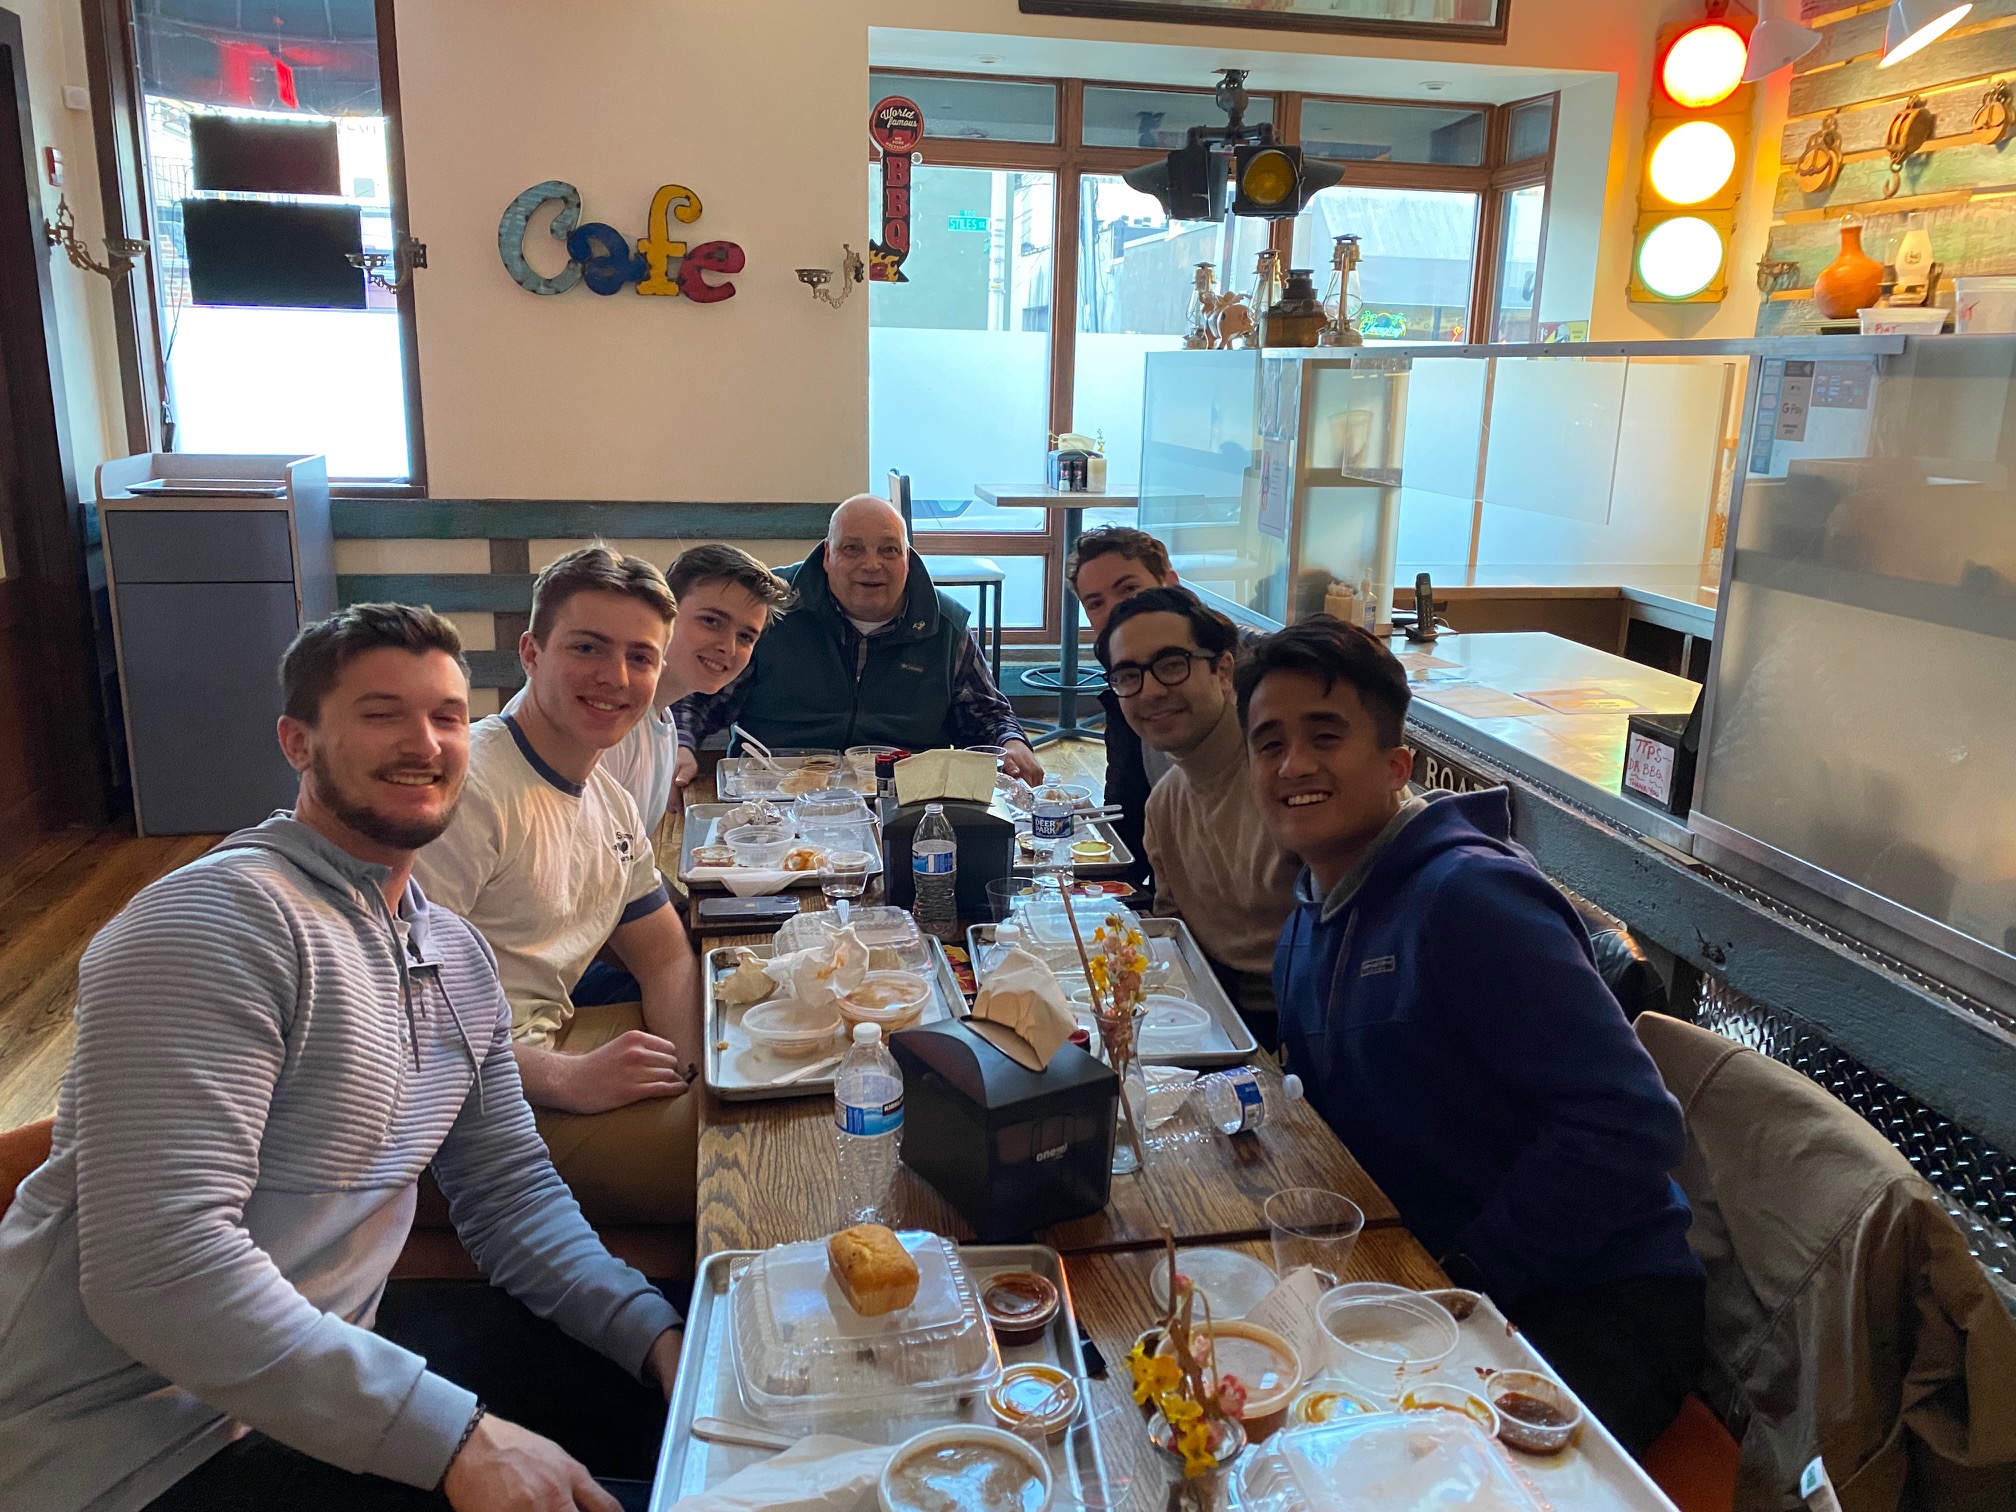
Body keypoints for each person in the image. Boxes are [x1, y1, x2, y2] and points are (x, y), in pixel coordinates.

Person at [0, 604, 682, 1512]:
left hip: (321, 1367)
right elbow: (157, 1273)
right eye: (380, 713)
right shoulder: (216, 922)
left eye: (446, 717)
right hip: (132, 1451)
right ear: (298, 742)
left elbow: (511, 1196)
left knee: (714, 1425)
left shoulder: (454, 956)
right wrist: (459, 1440)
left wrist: (658, 1338)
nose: (423, 743)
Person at [1239, 617, 1705, 1457]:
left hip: (1587, 1307)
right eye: (1269, 743)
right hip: (1416, 1281)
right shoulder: (1310, 915)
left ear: (1396, 766)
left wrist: (1466, 1276)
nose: (1293, 764)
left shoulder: (1469, 900)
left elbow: (1630, 1124)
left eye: (1325, 735)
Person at [413, 545, 703, 1228]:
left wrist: (695, 1072)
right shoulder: (465, 792)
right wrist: (568, 1079)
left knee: (763, 1085)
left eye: (640, 657)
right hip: (454, 1109)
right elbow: (392, 1014)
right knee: (750, 1155)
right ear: (532, 653)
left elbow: (665, 958)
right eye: (587, 647)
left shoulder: (609, 802)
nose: (615, 676)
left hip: (543, 1046)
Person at [679, 495, 1043, 783]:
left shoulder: (946, 625)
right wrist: (680, 745)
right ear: (827, 555)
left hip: (907, 796)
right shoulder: (771, 607)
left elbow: (986, 716)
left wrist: (1011, 743)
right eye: (852, 548)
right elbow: (700, 696)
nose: (871, 564)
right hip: (774, 791)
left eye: (889, 550)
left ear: (907, 558)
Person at [1096, 586, 1298, 1050]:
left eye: (1171, 665)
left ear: (1223, 671)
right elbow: (1176, 946)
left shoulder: (1288, 778)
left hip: (1306, 1027)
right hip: (1215, 1023)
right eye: (1129, 675)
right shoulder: (1165, 805)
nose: (1150, 691)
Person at [600, 543, 794, 832]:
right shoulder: (610, 722)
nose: (728, 647)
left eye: (745, 636)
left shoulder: (662, 721)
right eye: (711, 621)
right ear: (664, 612)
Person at [1067, 526, 1180, 884]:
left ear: (1171, 584)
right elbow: (1127, 818)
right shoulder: (1124, 687)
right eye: (1095, 603)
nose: (1117, 610)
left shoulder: (1231, 680)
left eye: (1129, 589)